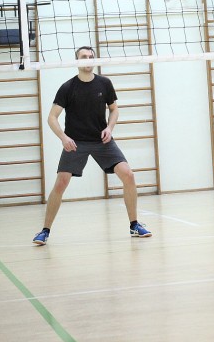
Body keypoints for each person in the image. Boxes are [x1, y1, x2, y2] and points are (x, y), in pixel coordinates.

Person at [32, 46, 152, 245]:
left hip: (101, 141)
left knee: (128, 175)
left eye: (90, 57)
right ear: (77, 61)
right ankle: (45, 231)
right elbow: (52, 117)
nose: (87, 59)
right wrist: (63, 138)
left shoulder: (105, 83)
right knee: (61, 183)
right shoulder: (67, 87)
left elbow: (114, 110)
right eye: (83, 57)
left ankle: (134, 225)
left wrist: (110, 128)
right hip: (75, 143)